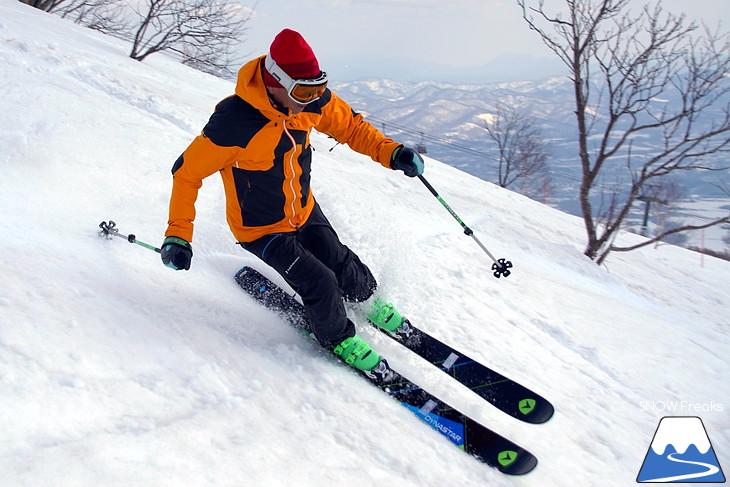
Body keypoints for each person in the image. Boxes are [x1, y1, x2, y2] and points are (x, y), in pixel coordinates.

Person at [160, 28, 424, 377]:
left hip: (303, 209)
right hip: (262, 229)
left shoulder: (310, 103)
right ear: (275, 81)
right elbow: (186, 173)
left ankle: (367, 300)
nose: (313, 99)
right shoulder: (235, 122)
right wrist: (178, 235)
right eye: (304, 92)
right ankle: (337, 339)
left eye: (318, 88)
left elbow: (353, 129)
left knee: (340, 261)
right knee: (319, 280)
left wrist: (392, 152)